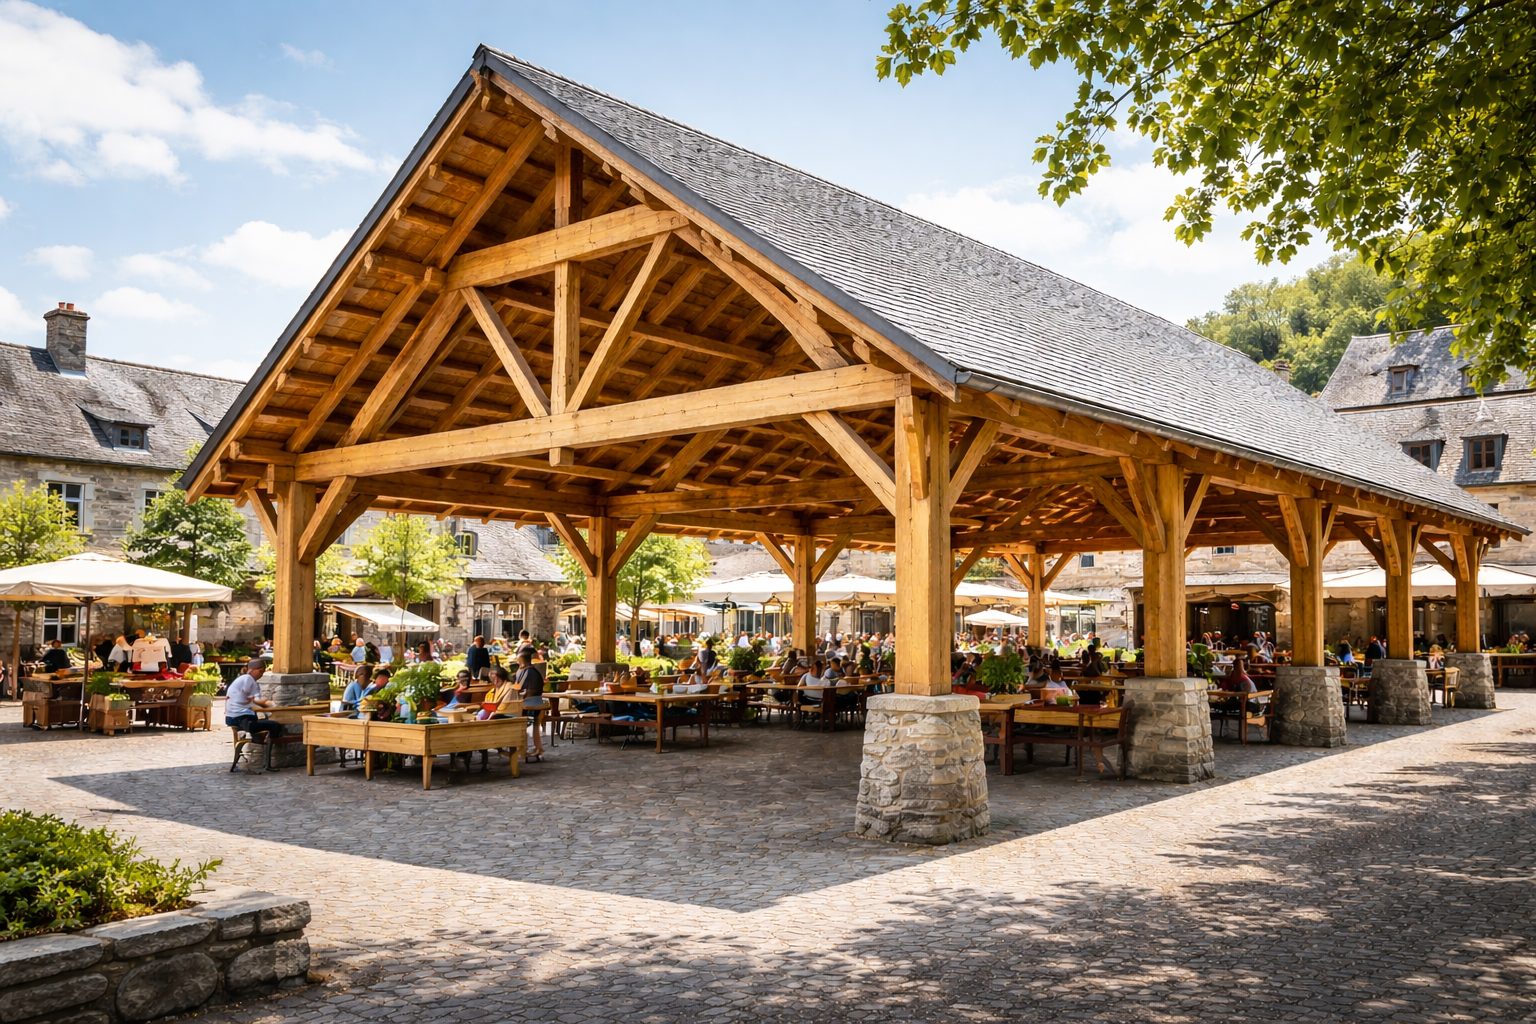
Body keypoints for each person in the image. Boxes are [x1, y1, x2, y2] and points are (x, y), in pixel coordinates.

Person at [225, 658, 282, 771]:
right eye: (262, 672)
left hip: (232, 718)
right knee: (275, 725)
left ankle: (260, 739)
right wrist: (270, 704)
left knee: (263, 721)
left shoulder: (242, 679)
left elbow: (248, 702)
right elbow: (254, 700)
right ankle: (268, 758)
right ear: (259, 670)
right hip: (241, 719)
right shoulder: (249, 679)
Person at [514, 650, 548, 758]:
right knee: (535, 725)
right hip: (535, 700)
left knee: (520, 722)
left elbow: (518, 687)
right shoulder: (531, 670)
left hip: (531, 702)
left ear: (522, 662)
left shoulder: (527, 671)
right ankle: (538, 747)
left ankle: (523, 747)